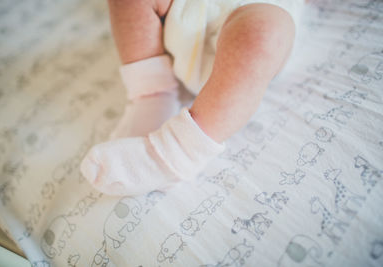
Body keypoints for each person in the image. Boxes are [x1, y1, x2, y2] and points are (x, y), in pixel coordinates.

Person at [80, 0, 304, 196]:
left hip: (256, 11)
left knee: (263, 33)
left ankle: (175, 155)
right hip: (182, 14)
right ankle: (152, 94)